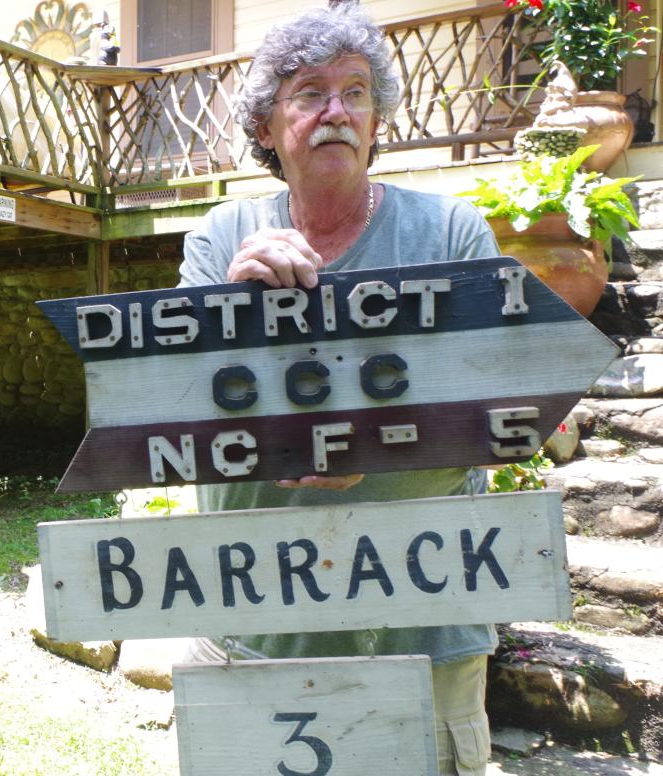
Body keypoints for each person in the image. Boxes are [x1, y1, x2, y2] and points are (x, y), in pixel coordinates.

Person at [177, 5, 497, 775]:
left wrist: (377, 451)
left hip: (422, 631)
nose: (336, 112)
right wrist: (227, 305)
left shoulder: (451, 235)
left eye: (356, 93)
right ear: (265, 126)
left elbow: (501, 407)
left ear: (377, 122)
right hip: (258, 627)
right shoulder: (220, 239)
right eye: (310, 92)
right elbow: (167, 409)